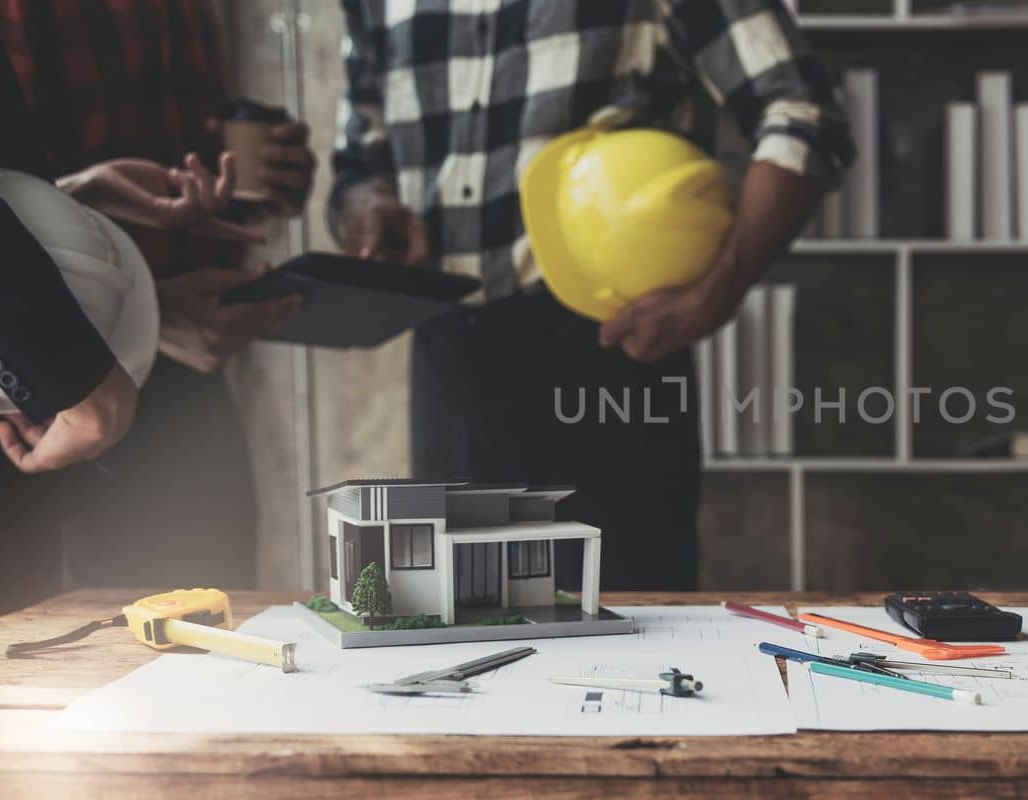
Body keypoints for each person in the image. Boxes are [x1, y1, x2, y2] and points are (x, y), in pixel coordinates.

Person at [331, 1, 853, 590]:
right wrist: (367, 206)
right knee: (463, 626)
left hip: (611, 357)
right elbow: (357, 160)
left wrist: (718, 291)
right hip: (447, 361)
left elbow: (804, 112)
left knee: (633, 650)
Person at [0, 0, 317, 590]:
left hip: (168, 387)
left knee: (215, 644)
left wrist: (85, 191)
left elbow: (5, 183)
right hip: (45, 397)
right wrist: (149, 314)